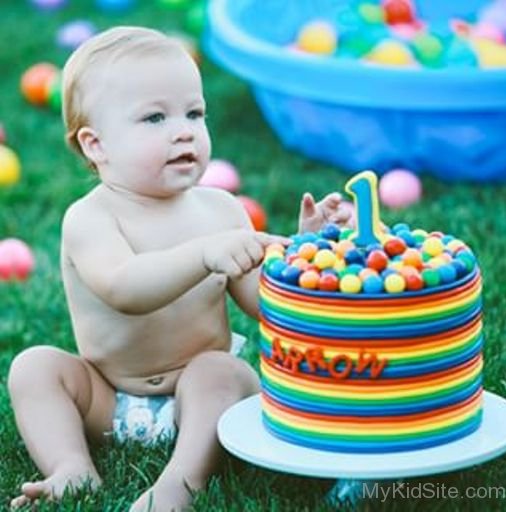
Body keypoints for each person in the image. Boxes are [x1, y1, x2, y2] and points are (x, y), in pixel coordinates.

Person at [8, 26, 351, 512]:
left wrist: (309, 252)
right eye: (154, 117)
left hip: (200, 398)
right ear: (96, 145)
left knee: (222, 370)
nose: (184, 129)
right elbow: (124, 287)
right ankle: (71, 467)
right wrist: (205, 254)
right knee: (35, 367)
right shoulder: (91, 218)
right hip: (108, 399)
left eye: (194, 112)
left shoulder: (222, 211)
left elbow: (265, 306)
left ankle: (178, 484)